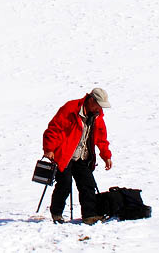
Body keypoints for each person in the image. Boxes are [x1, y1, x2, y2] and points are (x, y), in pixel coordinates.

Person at [42, 87, 113, 224]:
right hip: (64, 155)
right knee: (64, 184)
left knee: (87, 184)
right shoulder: (71, 108)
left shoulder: (98, 116)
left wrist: (106, 156)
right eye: (98, 105)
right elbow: (54, 129)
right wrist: (49, 149)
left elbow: (101, 138)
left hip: (83, 156)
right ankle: (56, 214)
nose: (100, 108)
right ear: (91, 100)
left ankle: (89, 215)